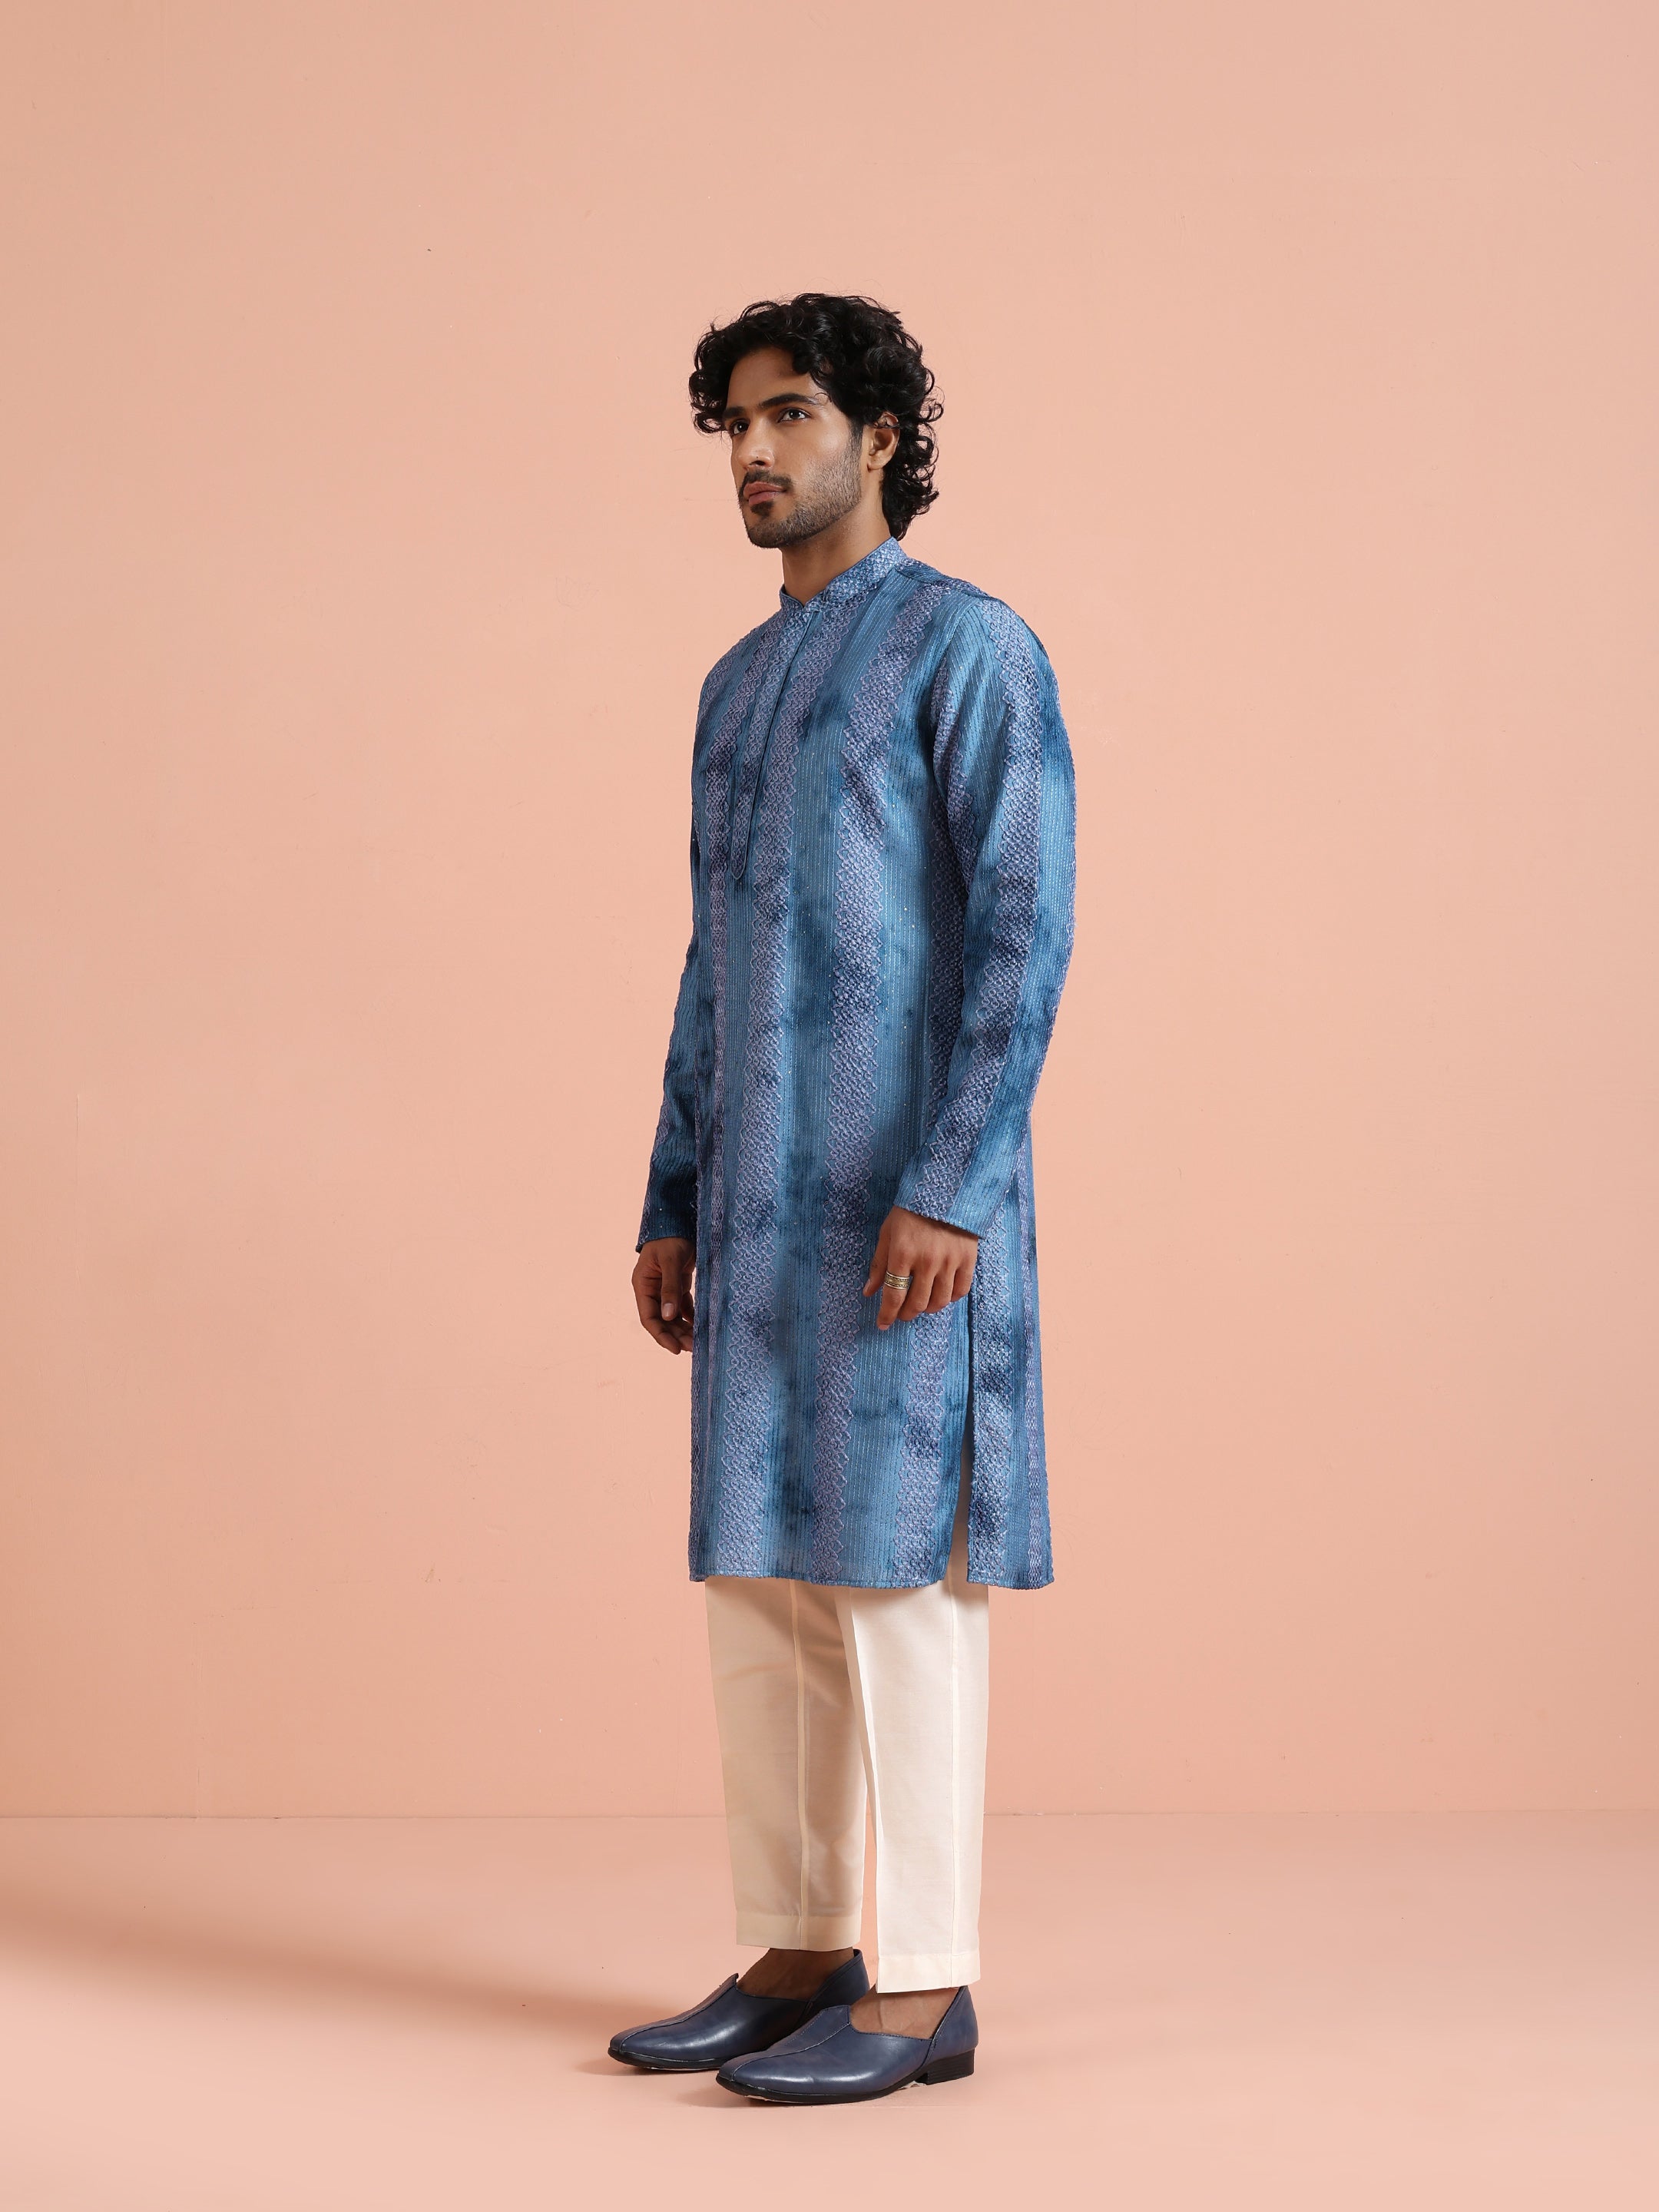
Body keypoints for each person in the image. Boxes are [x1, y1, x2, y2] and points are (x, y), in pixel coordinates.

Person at [608, 293, 1076, 2105]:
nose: (754, 452)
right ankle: (801, 1947)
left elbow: (1024, 934)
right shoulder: (735, 687)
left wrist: (953, 1184)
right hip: (759, 1216)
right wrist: (672, 1196)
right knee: (765, 1590)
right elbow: (709, 964)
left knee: (898, 1589)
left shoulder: (971, 648)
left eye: (789, 414)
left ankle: (927, 1980)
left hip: (904, 1215)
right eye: (733, 424)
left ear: (880, 437)